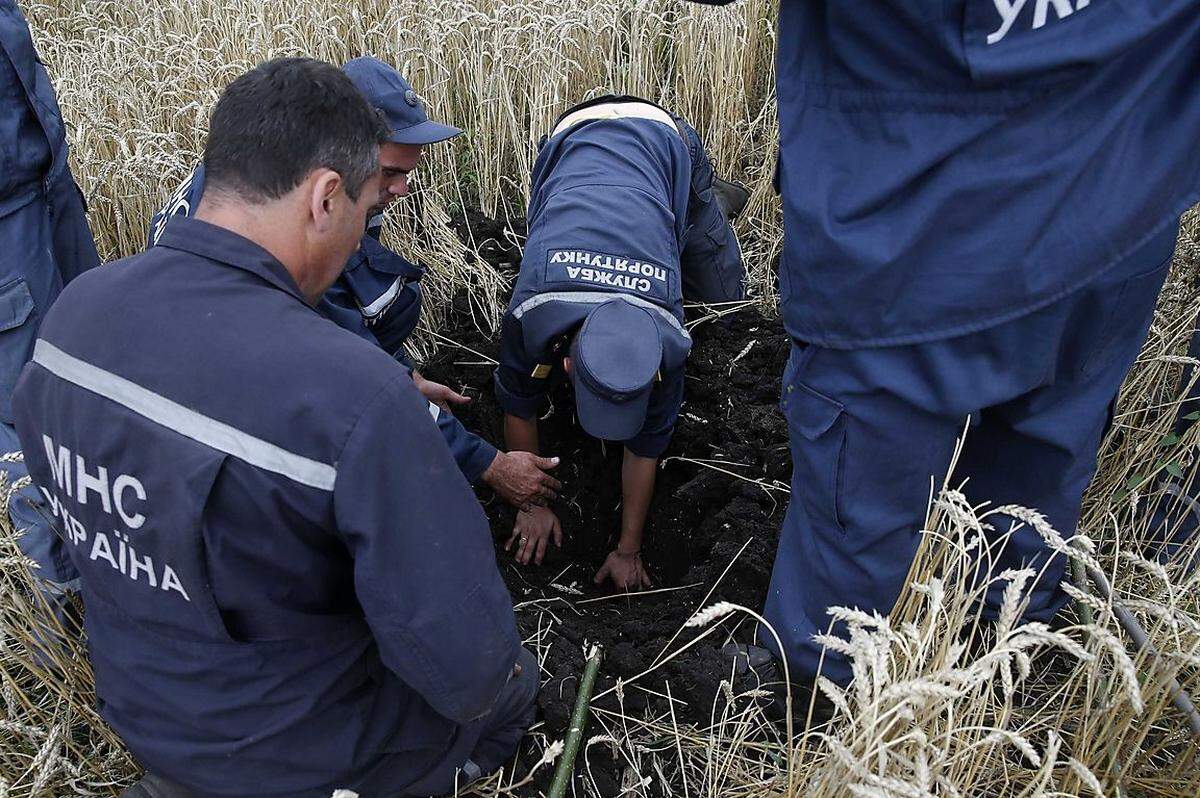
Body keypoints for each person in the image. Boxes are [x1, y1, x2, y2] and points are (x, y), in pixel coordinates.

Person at [12, 57, 536, 797]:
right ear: (326, 197)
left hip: (143, 717)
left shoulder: (73, 319)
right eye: (364, 210)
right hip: (305, 759)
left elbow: (67, 530)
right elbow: (463, 660)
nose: (362, 235)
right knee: (511, 691)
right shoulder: (353, 395)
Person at [688, 0, 1200, 688]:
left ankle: (812, 691)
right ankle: (999, 667)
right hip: (1116, 209)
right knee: (1042, 461)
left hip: (914, 229)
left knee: (860, 496)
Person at [148, 56, 560, 513]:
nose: (402, 189)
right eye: (390, 173)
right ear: (337, 156)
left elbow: (352, 327)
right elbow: (353, 373)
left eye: (408, 173)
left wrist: (409, 376)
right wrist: (490, 465)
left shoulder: (278, 176)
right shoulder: (288, 240)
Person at [494, 95, 747, 589]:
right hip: (573, 142)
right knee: (552, 220)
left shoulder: (669, 341)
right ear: (565, 365)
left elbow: (645, 449)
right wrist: (532, 504)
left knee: (723, 303)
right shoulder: (531, 317)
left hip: (663, 142)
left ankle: (705, 204)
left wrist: (628, 548)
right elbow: (518, 405)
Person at [0, 0, 101, 613]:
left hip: (45, 186)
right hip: (5, 226)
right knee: (26, 418)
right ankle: (64, 612)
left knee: (93, 367)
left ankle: (117, 556)